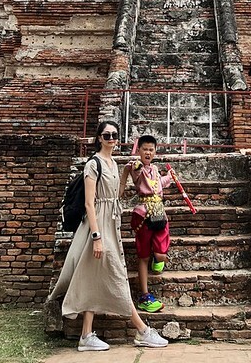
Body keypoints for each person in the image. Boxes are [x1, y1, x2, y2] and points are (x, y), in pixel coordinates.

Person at [48, 120, 168, 352]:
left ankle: (86, 335)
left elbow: (118, 195)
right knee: (117, 274)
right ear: (99, 138)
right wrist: (96, 237)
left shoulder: (112, 163)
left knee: (92, 276)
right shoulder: (93, 165)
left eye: (114, 135)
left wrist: (124, 173)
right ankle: (142, 330)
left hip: (111, 222)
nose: (111, 139)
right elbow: (89, 204)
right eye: (106, 135)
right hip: (98, 225)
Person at [120, 134, 174, 313]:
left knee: (160, 254)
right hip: (143, 214)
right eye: (145, 149)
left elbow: (158, 185)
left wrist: (169, 177)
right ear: (139, 151)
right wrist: (134, 165)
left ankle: (158, 259)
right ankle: (144, 296)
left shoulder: (155, 169)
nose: (148, 152)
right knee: (143, 256)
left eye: (151, 149)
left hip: (158, 213)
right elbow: (132, 168)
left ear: (155, 151)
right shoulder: (138, 168)